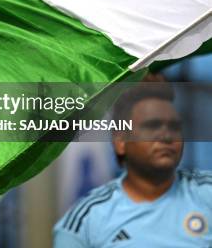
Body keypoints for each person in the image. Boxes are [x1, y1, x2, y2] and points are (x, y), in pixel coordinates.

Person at [53, 78, 212, 247]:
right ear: (120, 141)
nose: (167, 136)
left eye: (175, 127)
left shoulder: (206, 193)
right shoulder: (85, 221)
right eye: (152, 126)